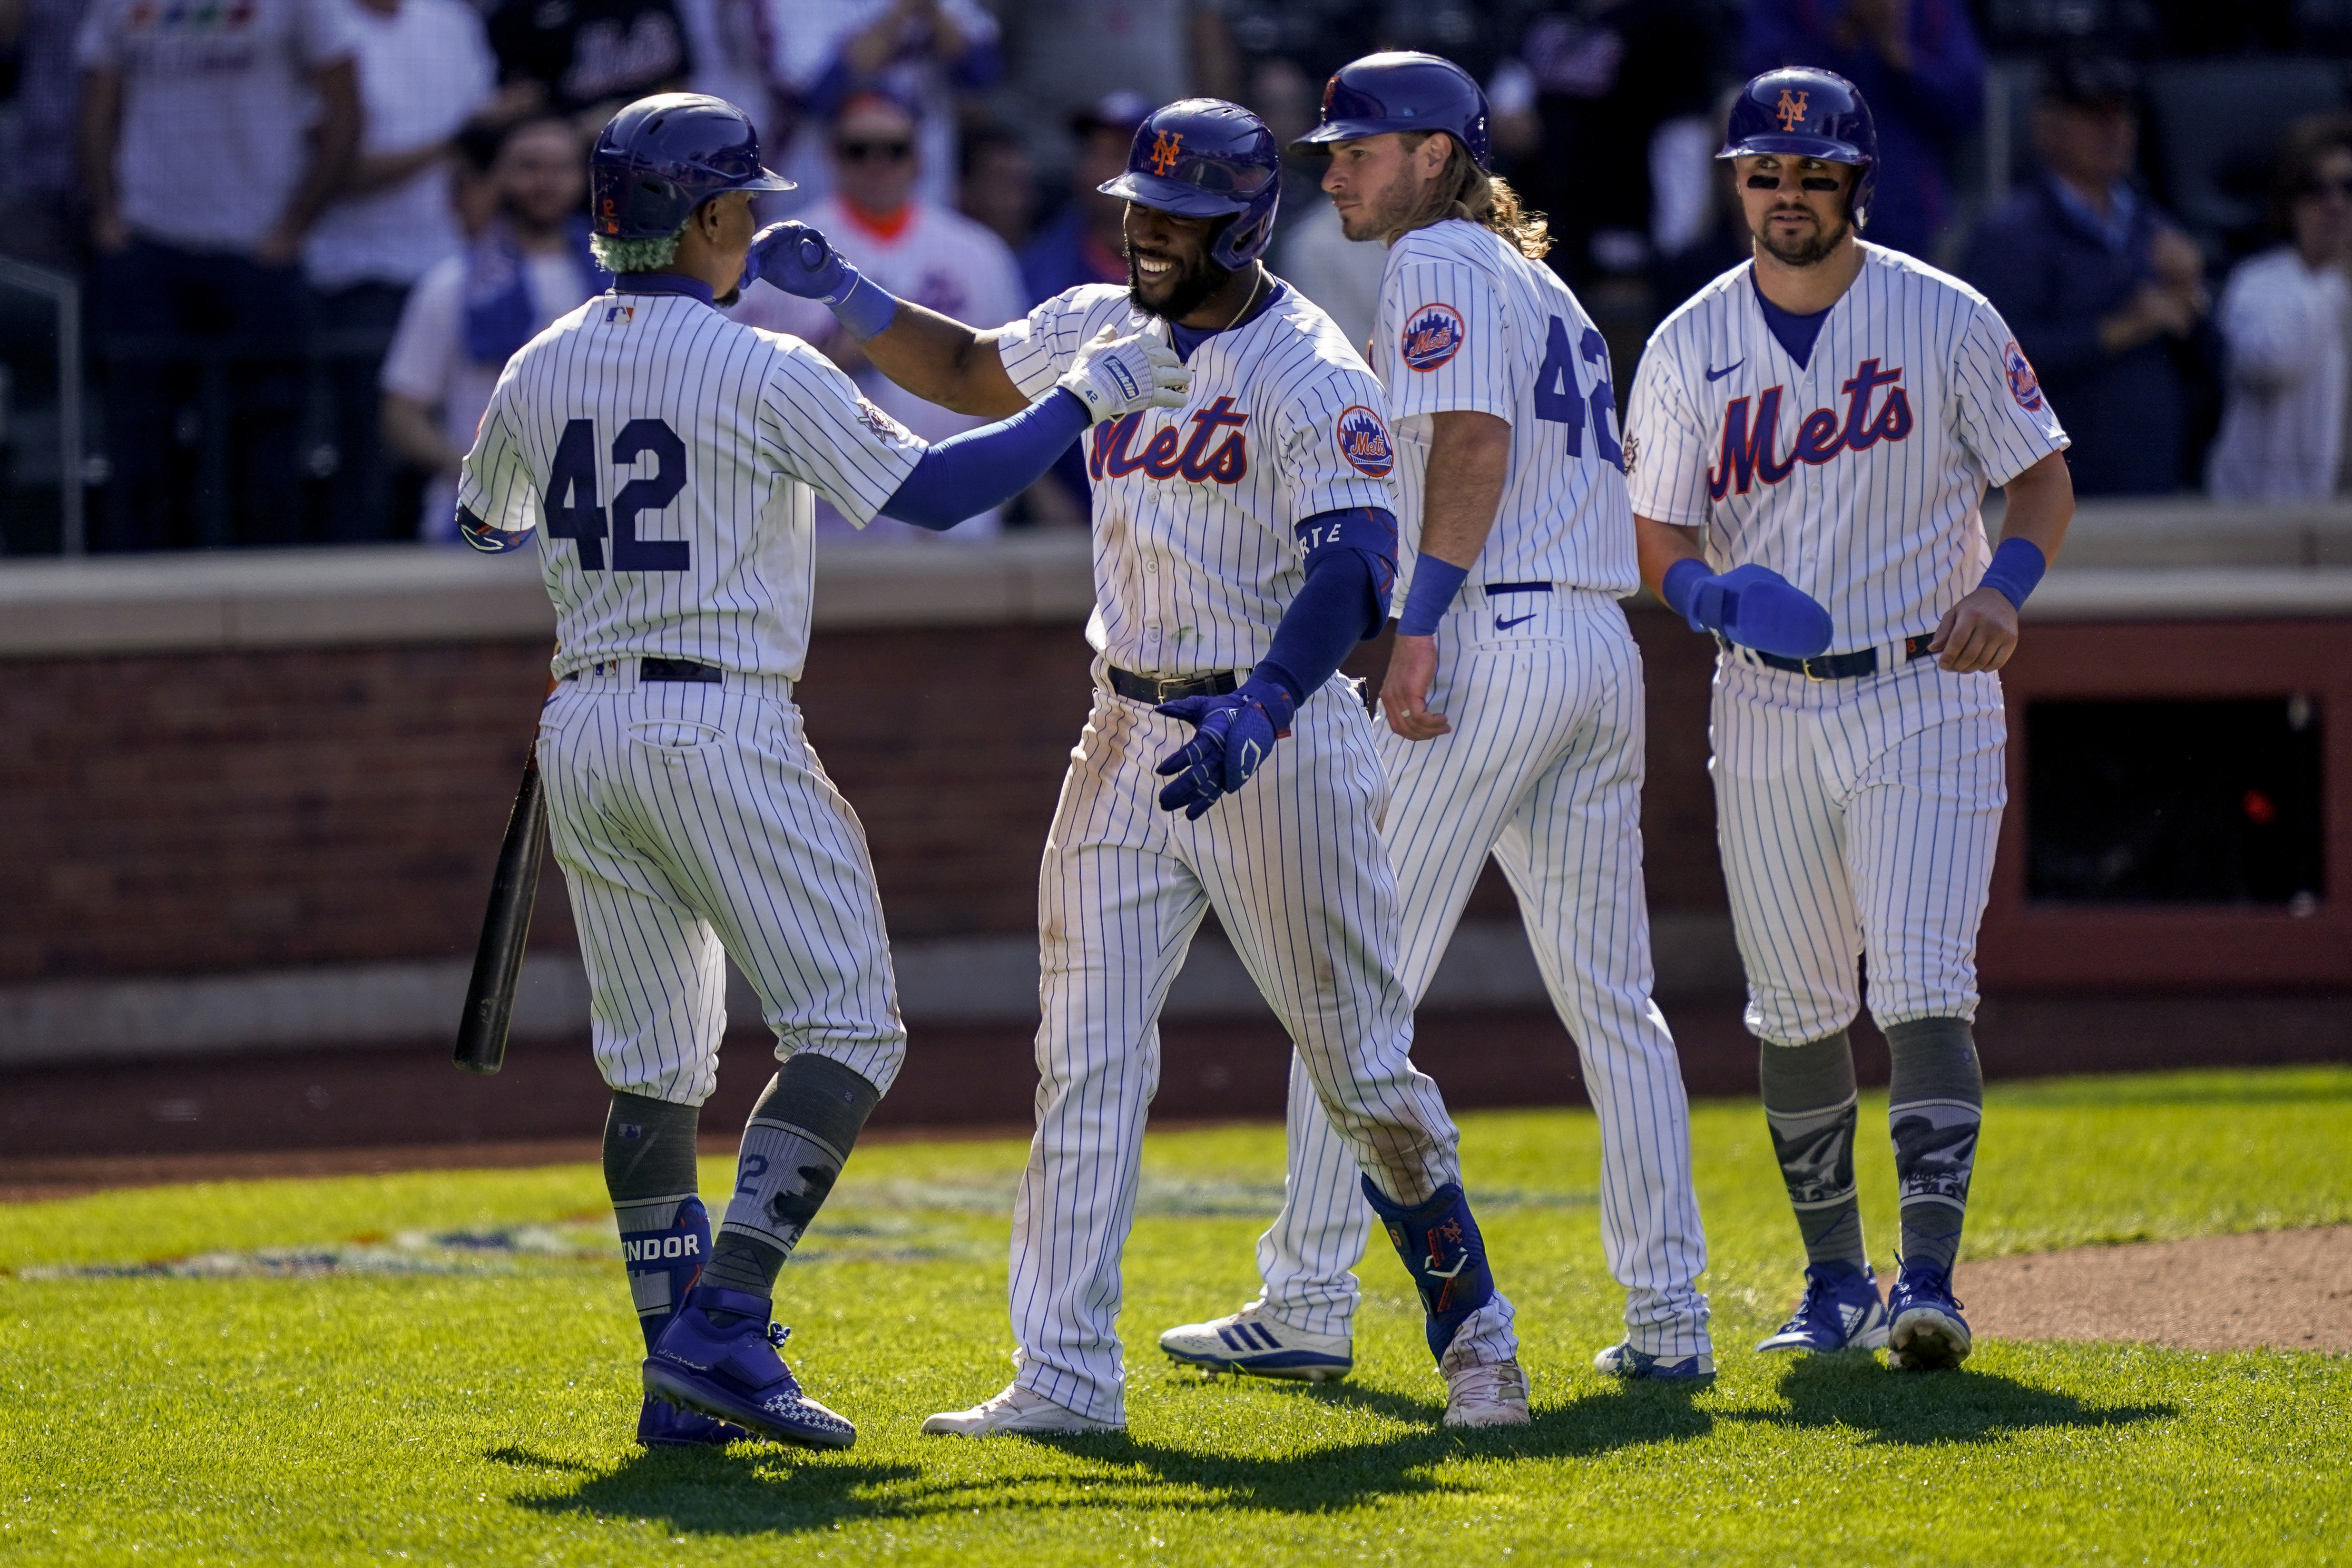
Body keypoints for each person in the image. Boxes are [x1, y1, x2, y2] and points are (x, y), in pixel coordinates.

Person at [761, 97, 1532, 1434]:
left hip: (1270, 741)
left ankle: (1476, 1336)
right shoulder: (1100, 321)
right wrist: (852, 297)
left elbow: (1355, 565)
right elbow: (964, 372)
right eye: (1138, 208)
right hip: (1121, 727)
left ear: (1245, 219)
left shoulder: (1308, 364)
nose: (1149, 232)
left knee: (1360, 1070)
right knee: (1084, 1057)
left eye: (1177, 216)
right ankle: (1063, 1377)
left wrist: (1271, 706)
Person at [458, 92, 1189, 1449]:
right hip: (718, 718)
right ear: (710, 216)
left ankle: (678, 1381)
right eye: (743, 201)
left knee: (656, 1072)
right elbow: (934, 495)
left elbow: (483, 522)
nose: (756, 220)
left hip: (587, 721)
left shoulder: (536, 359)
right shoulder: (764, 366)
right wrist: (1087, 397)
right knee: (850, 1028)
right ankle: (725, 1324)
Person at [1153, 51, 1714, 1387]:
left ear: (1439, 155)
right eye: (1333, 148)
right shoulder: (1541, 278)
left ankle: (1305, 1299)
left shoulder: (1440, 262)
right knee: (1616, 1001)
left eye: (1361, 148)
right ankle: (1673, 1316)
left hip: (1488, 634)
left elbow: (1470, 446)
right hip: (1592, 641)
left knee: (1349, 981)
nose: (1335, 168)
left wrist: (1419, 625)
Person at [1624, 68, 2076, 1372]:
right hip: (1763, 700)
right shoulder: (1688, 342)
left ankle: (1927, 1279)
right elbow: (1656, 527)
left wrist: (2006, 584)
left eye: (1813, 175)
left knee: (1927, 981)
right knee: (1795, 1005)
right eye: (1765, 172)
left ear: (1855, 186)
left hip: (1926, 682)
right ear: (1736, 183)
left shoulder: (1942, 316)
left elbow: (2041, 478)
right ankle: (1835, 1284)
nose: (1786, 195)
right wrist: (1697, 584)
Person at [77, 0, 361, 549]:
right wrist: (107, 213)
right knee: (137, 449)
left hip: (258, 251)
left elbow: (346, 109)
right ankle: (134, 614)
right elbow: (96, 102)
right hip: (150, 243)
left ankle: (274, 613)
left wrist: (295, 226)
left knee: (268, 454)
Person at [733, 88, 1025, 539]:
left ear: (919, 158)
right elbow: (737, 387)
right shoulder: (782, 250)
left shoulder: (978, 253)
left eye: (894, 149)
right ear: (832, 155)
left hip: (961, 520)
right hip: (830, 524)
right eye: (859, 150)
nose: (877, 163)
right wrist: (831, 356)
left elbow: (1022, 379)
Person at [1961, 54, 2216, 496]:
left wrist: (2194, 300)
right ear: (2046, 128)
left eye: (2120, 114)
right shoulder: (2011, 235)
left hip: (2159, 485)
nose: (2112, 130)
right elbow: (1992, 371)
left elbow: (2215, 366)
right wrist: (2121, 329)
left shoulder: (2155, 226)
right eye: (2092, 116)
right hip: (2058, 497)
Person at [305, 0, 499, 542]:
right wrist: (450, 141)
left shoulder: (451, 23)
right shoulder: (323, 21)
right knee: (371, 454)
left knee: (468, 438)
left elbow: (483, 149)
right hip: (359, 273)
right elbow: (336, 169)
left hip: (457, 267)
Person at [380, 117, 607, 543]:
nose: (546, 182)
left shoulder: (621, 285)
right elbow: (401, 414)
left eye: (561, 168)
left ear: (584, 179)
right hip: (480, 527)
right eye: (529, 166)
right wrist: (476, 469)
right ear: (499, 175)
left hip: (599, 528)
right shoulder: (449, 285)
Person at [1741, 0, 1982, 263]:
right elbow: (1759, 90)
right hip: (1807, 207)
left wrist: (1898, 55)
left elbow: (1967, 105)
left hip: (1907, 213)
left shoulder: (1933, 7)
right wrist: (1842, 35)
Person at [2207, 116, 2352, 501]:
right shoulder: (2258, 281)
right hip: (2265, 515)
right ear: (2291, 202)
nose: (2335, 204)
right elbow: (2270, 363)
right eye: (2316, 190)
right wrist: (2332, 275)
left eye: (2347, 188)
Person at [769, 0, 1000, 210]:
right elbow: (814, 97)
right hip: (825, 185)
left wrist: (933, 12)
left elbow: (982, 75)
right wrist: (897, 17)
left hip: (925, 184)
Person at [483, 0, 687, 127]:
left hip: (653, 126)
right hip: (566, 140)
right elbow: (520, 99)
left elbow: (680, 81)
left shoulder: (655, 5)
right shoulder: (519, 11)